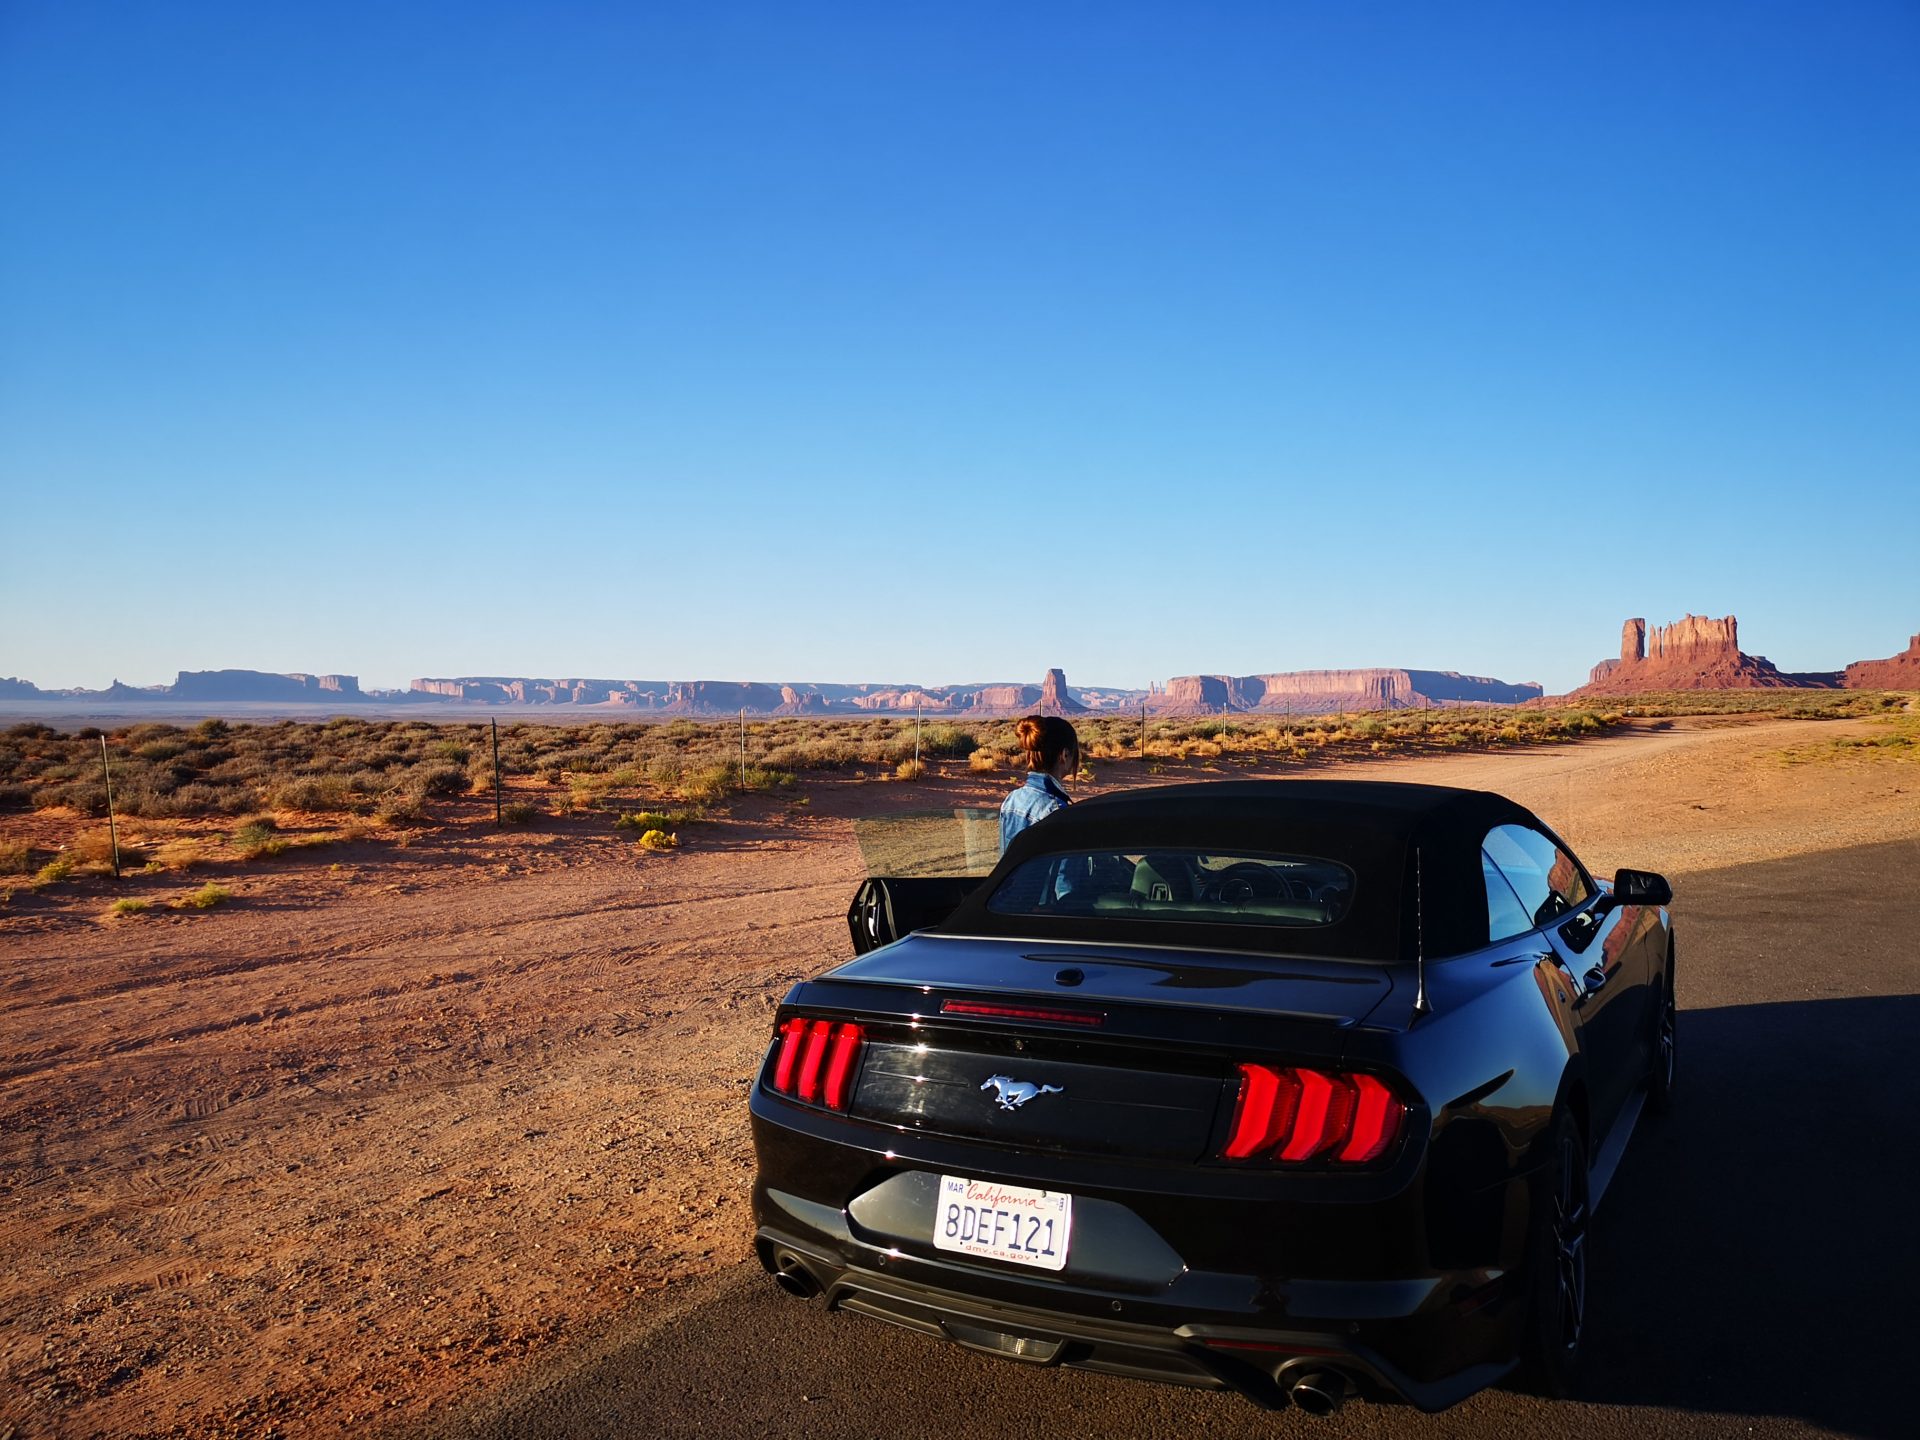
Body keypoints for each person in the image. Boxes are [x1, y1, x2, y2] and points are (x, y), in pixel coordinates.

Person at [999, 715, 1080, 853]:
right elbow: (1066, 872)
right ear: (1065, 755)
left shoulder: (1012, 799)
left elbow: (1005, 858)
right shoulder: (1056, 810)